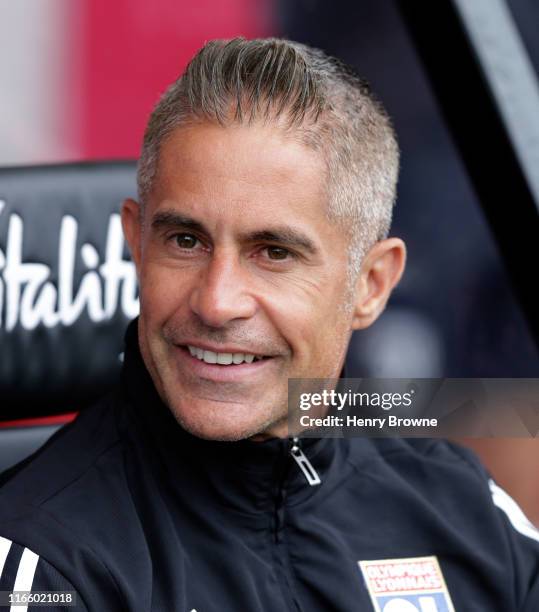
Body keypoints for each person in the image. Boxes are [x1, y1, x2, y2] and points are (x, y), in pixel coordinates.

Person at [0, 37, 538, 612]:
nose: (217, 302)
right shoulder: (47, 564)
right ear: (135, 244)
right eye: (186, 241)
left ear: (371, 284)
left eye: (274, 252)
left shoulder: (457, 502)